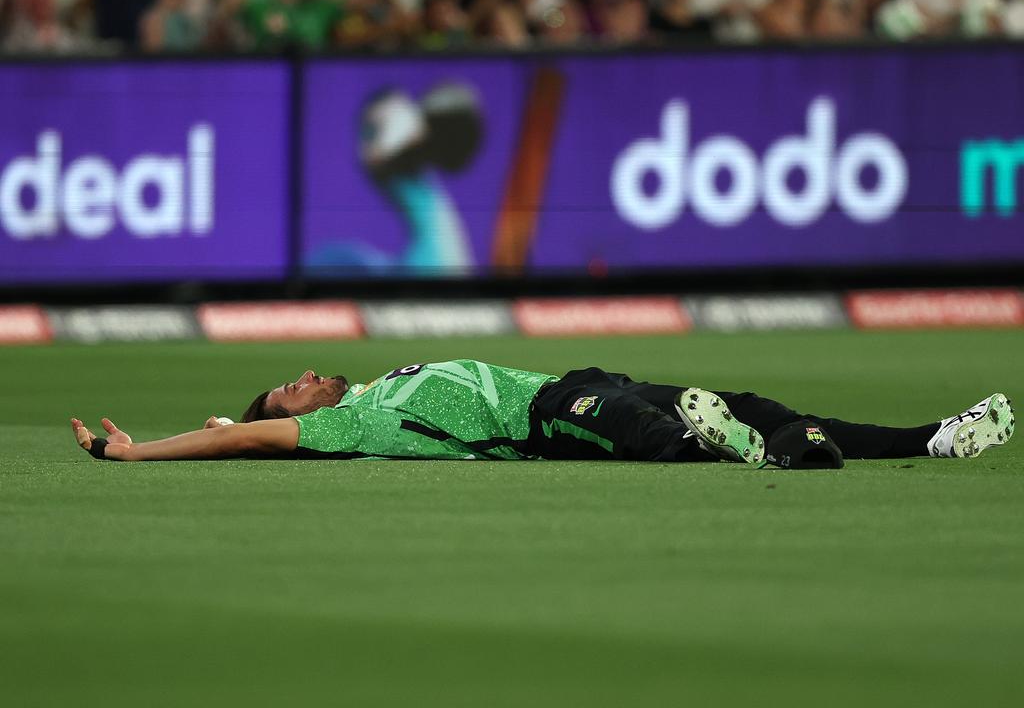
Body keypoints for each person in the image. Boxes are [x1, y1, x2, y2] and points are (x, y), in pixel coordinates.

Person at [72, 360, 1015, 466]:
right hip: (544, 421)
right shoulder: (345, 428)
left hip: (570, 379)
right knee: (649, 432)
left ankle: (930, 438)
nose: (305, 377)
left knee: (756, 402)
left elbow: (240, 421)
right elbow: (240, 436)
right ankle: (766, 456)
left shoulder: (370, 387)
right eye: (288, 385)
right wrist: (139, 452)